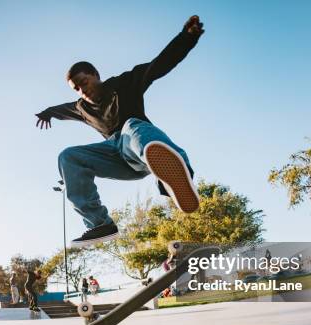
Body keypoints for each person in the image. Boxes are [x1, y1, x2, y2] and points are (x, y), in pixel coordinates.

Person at [36, 15, 205, 248]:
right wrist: (47, 112)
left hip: (139, 146)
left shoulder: (126, 83)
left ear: (95, 74)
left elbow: (161, 64)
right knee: (68, 156)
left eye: (84, 82)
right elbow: (61, 109)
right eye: (76, 89)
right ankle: (100, 224)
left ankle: (174, 176)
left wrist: (188, 38)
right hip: (115, 159)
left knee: (131, 126)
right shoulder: (81, 108)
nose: (82, 91)